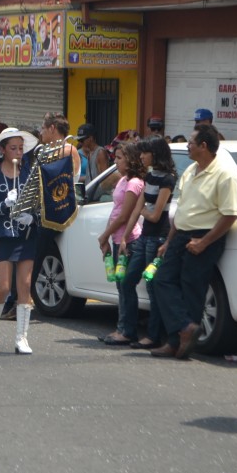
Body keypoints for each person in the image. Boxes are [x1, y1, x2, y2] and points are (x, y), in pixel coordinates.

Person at [150, 124, 237, 359]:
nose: (188, 146)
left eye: (191, 142)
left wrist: (204, 242)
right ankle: (182, 329)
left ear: (204, 146)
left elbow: (229, 215)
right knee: (162, 280)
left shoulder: (224, 175)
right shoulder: (190, 170)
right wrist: (169, 241)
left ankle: (178, 342)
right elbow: (182, 211)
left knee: (192, 288)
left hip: (204, 235)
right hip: (180, 234)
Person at [0, 127, 39, 354]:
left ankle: (21, 338)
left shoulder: (29, 175)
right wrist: (3, 206)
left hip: (26, 235)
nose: (18, 152)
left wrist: (31, 218)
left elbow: (39, 205)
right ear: (2, 150)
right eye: (13, 148)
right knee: (4, 286)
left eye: (21, 148)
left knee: (24, 285)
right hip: (4, 235)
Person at [120, 136, 176, 349]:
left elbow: (155, 215)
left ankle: (154, 336)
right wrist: (125, 237)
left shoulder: (168, 179)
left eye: (145, 152)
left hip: (158, 238)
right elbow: (139, 210)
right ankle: (128, 331)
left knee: (153, 287)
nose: (141, 156)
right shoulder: (151, 176)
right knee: (127, 281)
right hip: (144, 238)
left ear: (156, 154)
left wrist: (143, 210)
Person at [98, 142, 145, 346]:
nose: (115, 161)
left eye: (119, 158)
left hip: (129, 240)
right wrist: (108, 238)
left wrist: (105, 234)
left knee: (126, 285)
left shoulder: (134, 182)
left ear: (130, 160)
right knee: (120, 285)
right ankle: (122, 328)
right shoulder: (123, 180)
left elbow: (125, 215)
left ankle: (127, 330)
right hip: (117, 239)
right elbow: (115, 211)